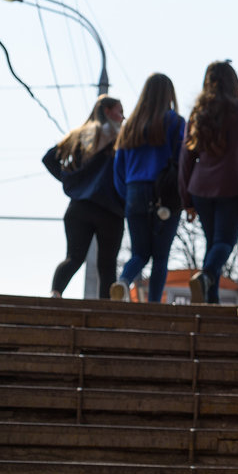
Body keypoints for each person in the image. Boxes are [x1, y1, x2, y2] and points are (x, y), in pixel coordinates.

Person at [179, 60, 238, 304]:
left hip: (200, 188)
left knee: (213, 244)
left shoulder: (198, 113)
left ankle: (211, 301)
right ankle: (207, 277)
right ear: (234, 83)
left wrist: (186, 199)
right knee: (224, 243)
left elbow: (186, 157)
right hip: (231, 186)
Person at [110, 73, 185, 303]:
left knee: (140, 253)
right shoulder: (174, 122)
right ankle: (153, 305)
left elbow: (118, 167)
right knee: (160, 256)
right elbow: (183, 160)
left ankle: (123, 281)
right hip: (165, 193)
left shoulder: (130, 125)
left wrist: (127, 194)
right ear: (169, 94)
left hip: (134, 191)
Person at [42, 94, 125, 298]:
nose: (123, 117)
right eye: (120, 111)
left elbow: (49, 159)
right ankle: (105, 313)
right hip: (111, 209)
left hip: (79, 207)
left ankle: (55, 294)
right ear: (107, 111)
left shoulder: (80, 135)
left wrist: (71, 181)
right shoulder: (120, 137)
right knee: (107, 265)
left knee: (74, 257)